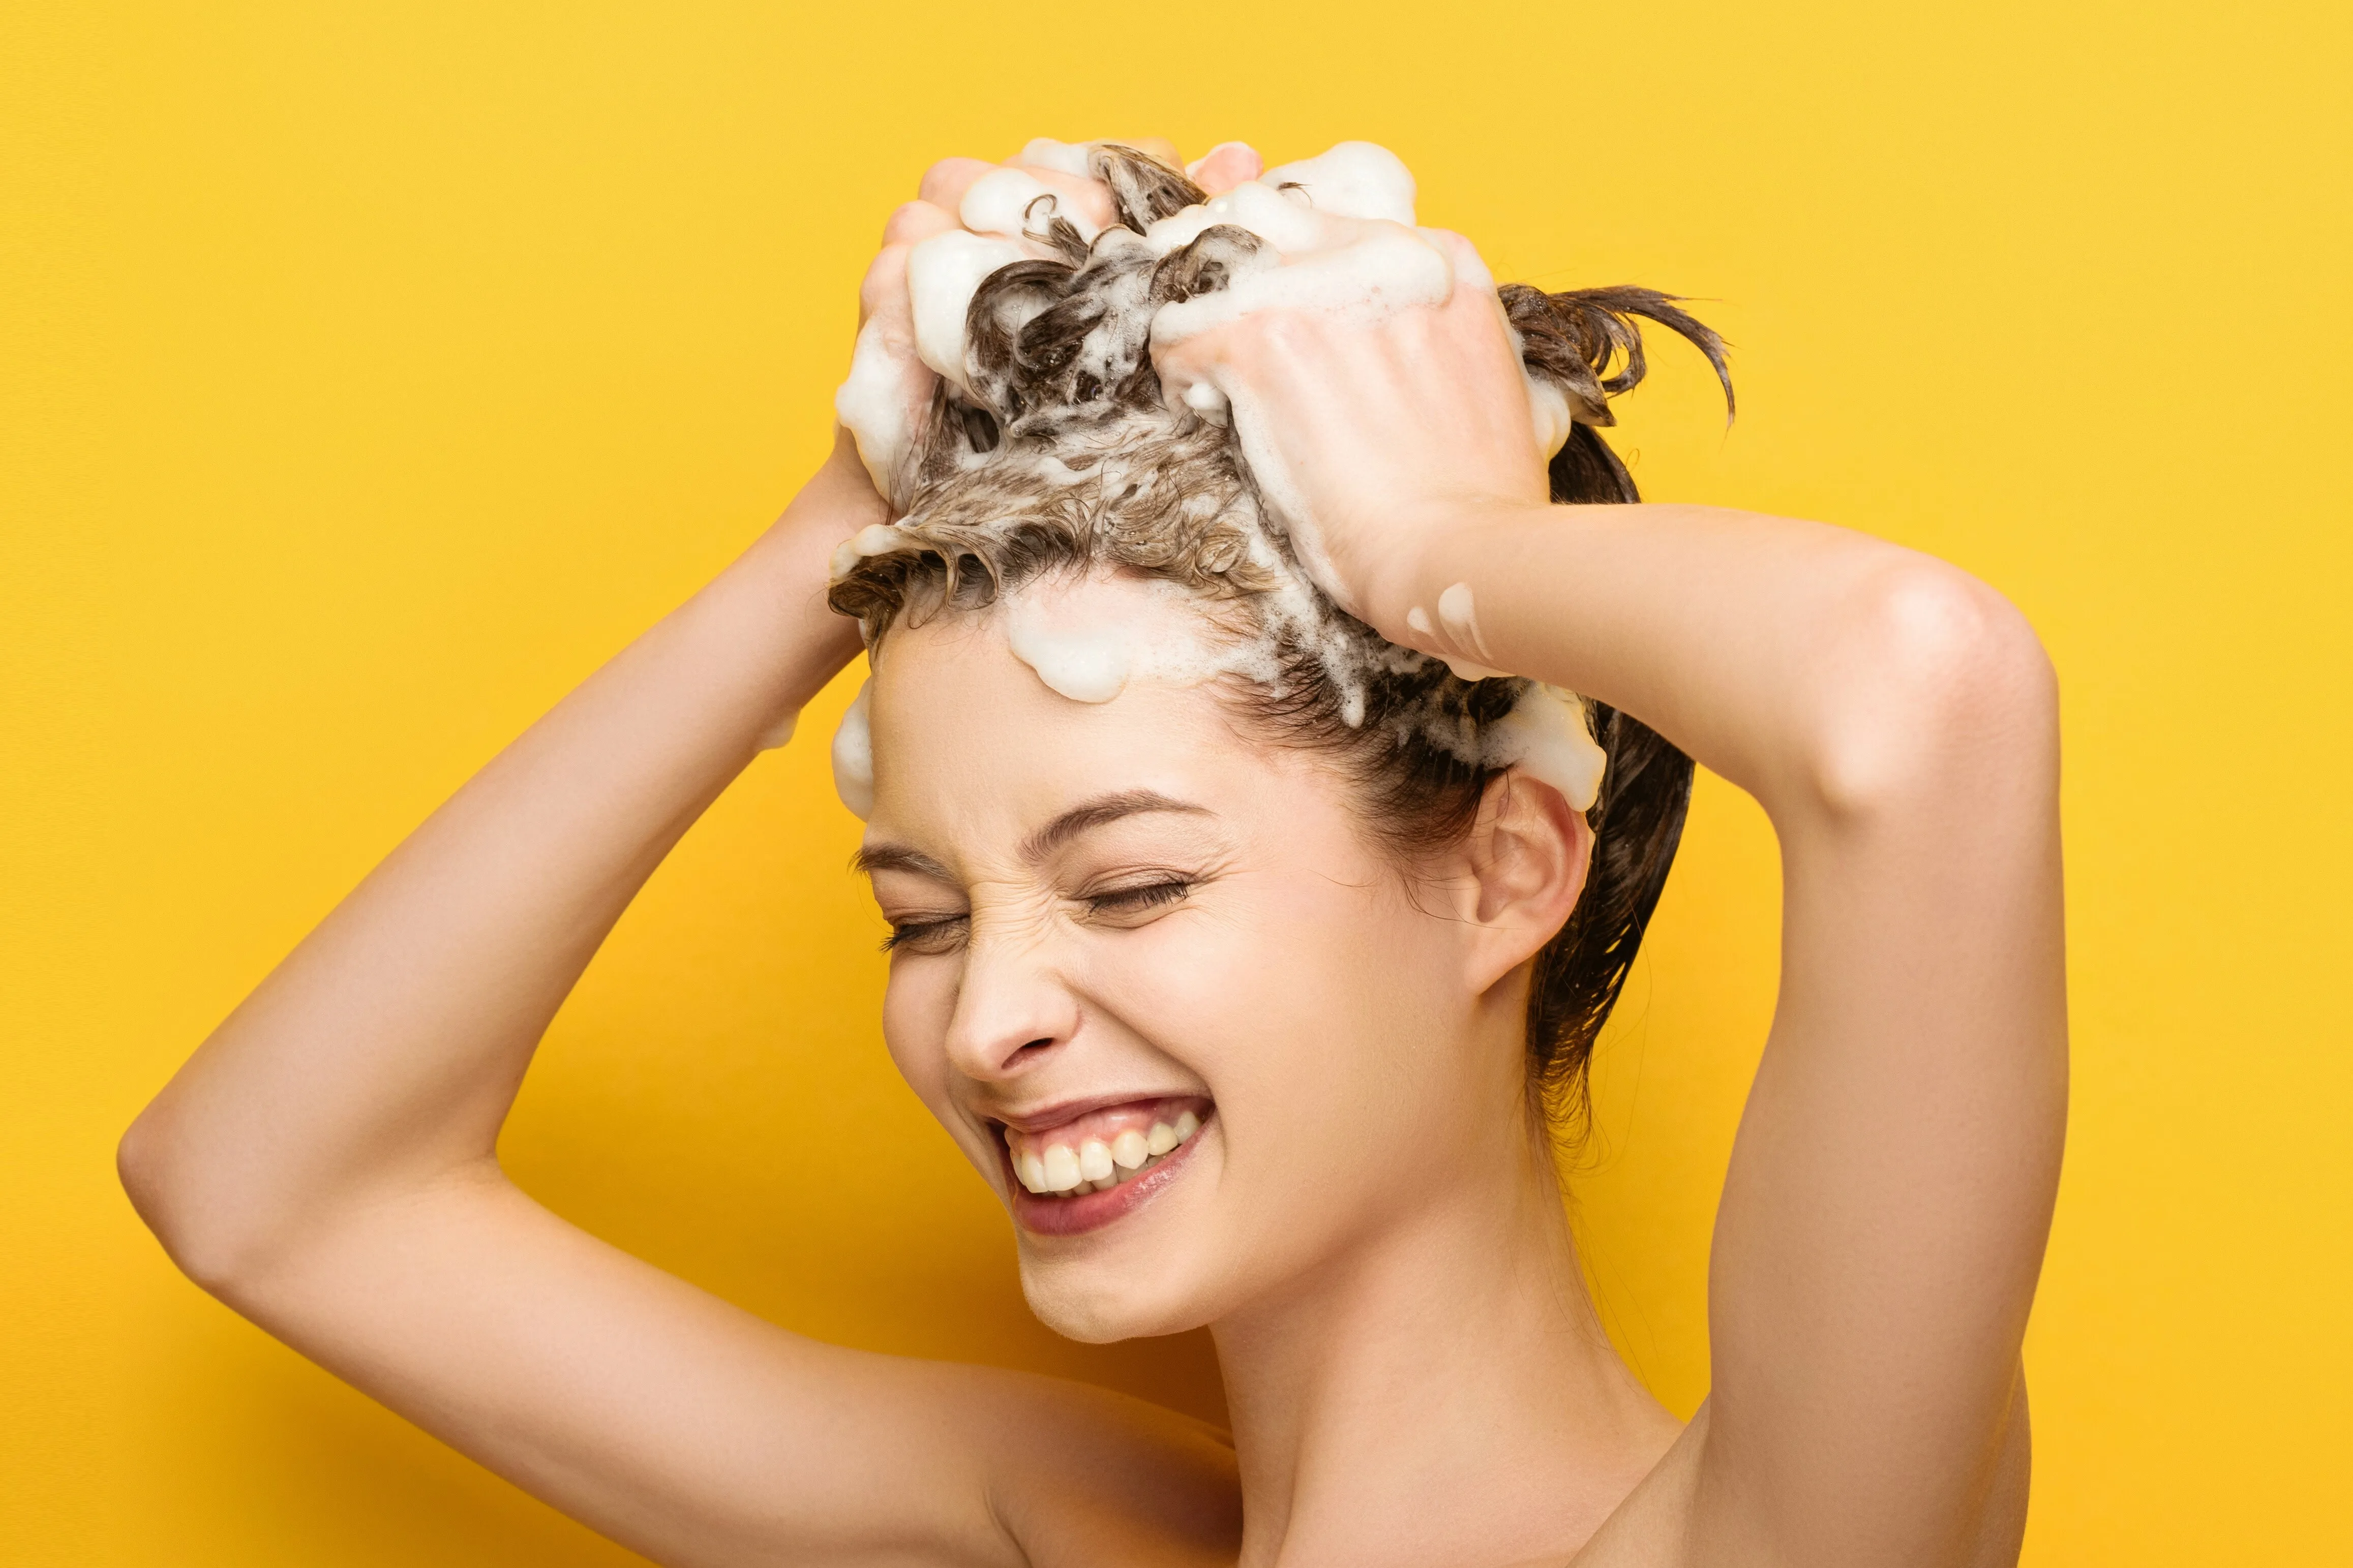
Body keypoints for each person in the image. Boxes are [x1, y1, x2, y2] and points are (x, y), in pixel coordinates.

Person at [119, 138, 2066, 1568]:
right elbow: (264, 1186)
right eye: (921, 915)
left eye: (1132, 880)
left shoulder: (1798, 1522)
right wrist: (845, 529)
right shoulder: (1064, 1526)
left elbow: (1924, 694)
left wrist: (1425, 547)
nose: (985, 1020)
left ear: (1505, 872)